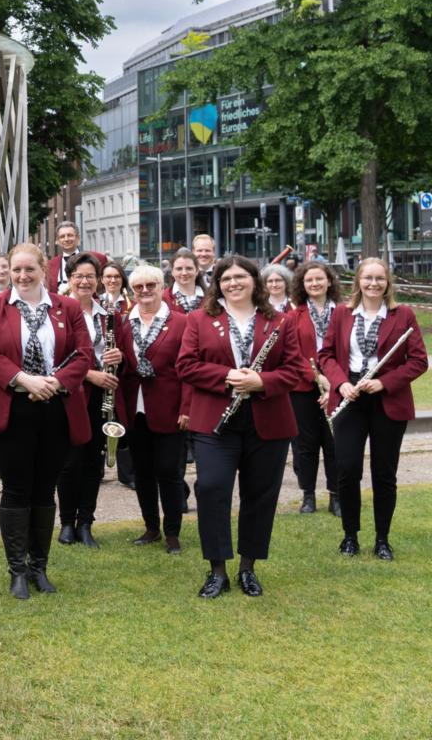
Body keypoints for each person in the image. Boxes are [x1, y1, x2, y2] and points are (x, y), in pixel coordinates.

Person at [176, 255, 306, 599]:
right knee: (213, 488)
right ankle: (217, 570)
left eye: (241, 277)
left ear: (255, 281)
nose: (233, 283)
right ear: (217, 284)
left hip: (268, 420)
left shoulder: (279, 321)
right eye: (226, 278)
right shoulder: (199, 320)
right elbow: (186, 365)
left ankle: (248, 568)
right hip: (214, 421)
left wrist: (262, 381)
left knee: (260, 496)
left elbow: (295, 370)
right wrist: (228, 377)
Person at [0, 243, 92, 600]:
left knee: (45, 489)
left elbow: (84, 354)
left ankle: (39, 566)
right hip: (12, 407)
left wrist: (54, 382)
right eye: (16, 270)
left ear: (45, 270)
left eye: (30, 269)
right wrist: (26, 380)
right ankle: (17, 570)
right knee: (16, 488)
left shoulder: (67, 307)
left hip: (55, 407)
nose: (22, 276)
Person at [318, 257, 429, 560]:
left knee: (384, 472)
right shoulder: (342, 314)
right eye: (368, 278)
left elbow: (419, 360)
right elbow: (325, 355)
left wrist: (385, 383)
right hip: (349, 396)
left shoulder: (402, 314)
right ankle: (350, 535)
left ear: (387, 283)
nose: (373, 284)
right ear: (358, 281)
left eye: (380, 278)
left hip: (386, 399)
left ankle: (382, 539)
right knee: (348, 468)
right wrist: (340, 384)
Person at [116, 264, 188, 553]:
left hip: (170, 407)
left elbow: (188, 370)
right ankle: (150, 528)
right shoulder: (123, 323)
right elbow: (122, 366)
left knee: (169, 471)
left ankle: (172, 532)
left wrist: (187, 408)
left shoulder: (181, 322)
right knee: (142, 473)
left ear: (162, 286)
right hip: (136, 409)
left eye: (151, 285)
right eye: (138, 287)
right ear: (132, 291)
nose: (145, 291)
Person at [56, 254, 123, 548]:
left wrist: (118, 357)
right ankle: (67, 522)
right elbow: (55, 359)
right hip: (70, 395)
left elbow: (120, 353)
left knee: (93, 462)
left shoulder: (108, 314)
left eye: (90, 276)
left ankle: (86, 522)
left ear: (98, 280)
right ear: (70, 279)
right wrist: (90, 375)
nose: (84, 281)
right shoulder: (57, 311)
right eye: (78, 276)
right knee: (69, 462)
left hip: (99, 398)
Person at [287, 260, 340, 515]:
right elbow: (293, 353)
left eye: (319, 279)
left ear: (329, 281)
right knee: (306, 444)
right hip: (302, 388)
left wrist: (332, 383)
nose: (315, 284)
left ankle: (336, 495)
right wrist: (316, 377)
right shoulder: (294, 315)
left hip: (338, 386)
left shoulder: (343, 311)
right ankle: (308, 495)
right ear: (302, 284)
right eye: (309, 280)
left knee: (334, 442)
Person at [44, 222, 105, 294]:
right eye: (62, 236)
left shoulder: (98, 258)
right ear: (57, 241)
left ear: (78, 238)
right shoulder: (50, 265)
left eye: (70, 235)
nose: (66, 239)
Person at [164, 249, 204, 313]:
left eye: (189, 268)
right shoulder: (163, 298)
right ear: (172, 272)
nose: (184, 273)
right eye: (179, 269)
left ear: (197, 271)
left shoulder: (210, 297)